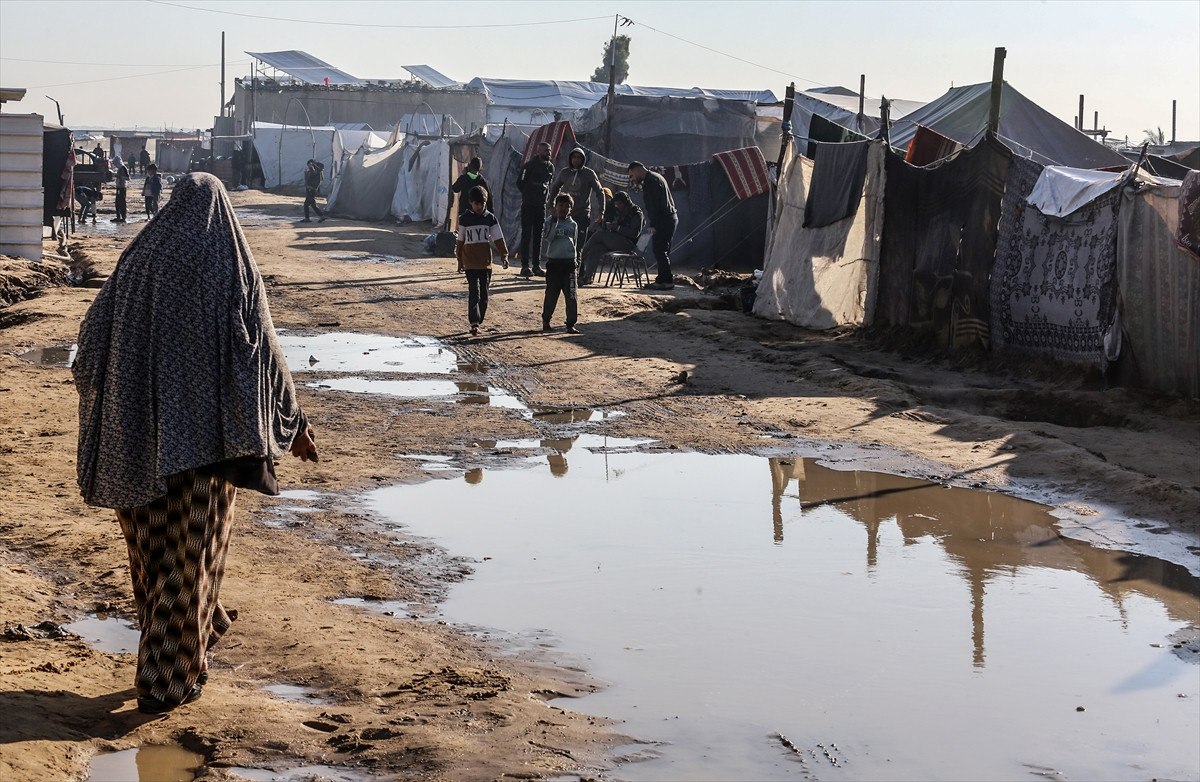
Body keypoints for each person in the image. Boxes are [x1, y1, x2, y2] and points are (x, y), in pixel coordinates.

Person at [72, 172, 318, 715]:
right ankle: (164, 683)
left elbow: (87, 349)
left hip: (131, 446)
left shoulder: (138, 259)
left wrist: (116, 405)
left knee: (152, 561)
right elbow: (260, 347)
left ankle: (196, 641)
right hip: (203, 450)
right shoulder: (228, 264)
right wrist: (291, 420)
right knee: (191, 560)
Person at [455, 185, 509, 337]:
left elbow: (498, 238)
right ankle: (474, 323)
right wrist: (459, 260)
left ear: (485, 202)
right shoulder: (465, 219)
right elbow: (460, 240)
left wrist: (504, 255)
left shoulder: (490, 218)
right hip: (470, 261)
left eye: (482, 203)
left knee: (484, 295)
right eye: (476, 203)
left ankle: (479, 319)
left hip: (485, 262)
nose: (479, 206)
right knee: (474, 292)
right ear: (471, 203)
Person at [627, 161, 678, 290]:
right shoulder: (657, 177)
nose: (632, 179)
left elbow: (654, 206)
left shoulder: (650, 182)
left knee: (659, 250)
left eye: (631, 175)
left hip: (663, 219)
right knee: (662, 250)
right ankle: (661, 279)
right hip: (670, 218)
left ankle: (667, 281)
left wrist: (653, 225)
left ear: (636, 170)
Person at [579, 190, 643, 286]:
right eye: (616, 204)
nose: (618, 206)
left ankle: (579, 255)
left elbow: (635, 234)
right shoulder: (617, 211)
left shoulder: (636, 213)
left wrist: (617, 227)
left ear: (626, 202)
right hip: (615, 240)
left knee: (599, 235)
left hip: (627, 243)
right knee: (596, 248)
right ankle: (588, 277)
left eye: (620, 204)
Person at [547, 148, 604, 248]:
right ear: (570, 158)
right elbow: (555, 187)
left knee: (579, 245)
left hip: (582, 214)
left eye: (579, 157)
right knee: (563, 243)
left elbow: (600, 191)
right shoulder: (564, 172)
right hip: (565, 214)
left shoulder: (589, 174)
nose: (576, 160)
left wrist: (601, 211)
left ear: (583, 159)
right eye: (574, 157)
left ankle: (578, 263)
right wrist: (550, 205)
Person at [541, 193, 580, 334]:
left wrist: (575, 261)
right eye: (561, 205)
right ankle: (546, 321)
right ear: (555, 207)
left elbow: (574, 244)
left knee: (571, 295)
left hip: (569, 265)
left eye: (567, 206)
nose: (563, 208)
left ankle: (570, 324)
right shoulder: (549, 221)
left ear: (571, 208)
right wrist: (554, 221)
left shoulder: (573, 225)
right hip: (554, 264)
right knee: (551, 294)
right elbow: (549, 238)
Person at [516, 142, 554, 278]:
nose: (548, 153)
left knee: (538, 237)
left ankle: (536, 266)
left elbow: (549, 185)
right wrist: (529, 194)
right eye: (545, 150)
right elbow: (520, 183)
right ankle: (525, 266)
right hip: (528, 205)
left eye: (549, 150)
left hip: (541, 206)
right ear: (539, 151)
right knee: (526, 235)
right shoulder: (529, 166)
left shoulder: (550, 167)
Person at [112, 159, 129, 223]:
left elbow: (128, 178)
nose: (115, 165)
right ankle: (118, 216)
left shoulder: (123, 168)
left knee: (122, 202)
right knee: (117, 202)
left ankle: (123, 217)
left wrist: (119, 176)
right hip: (119, 187)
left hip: (122, 188)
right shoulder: (119, 169)